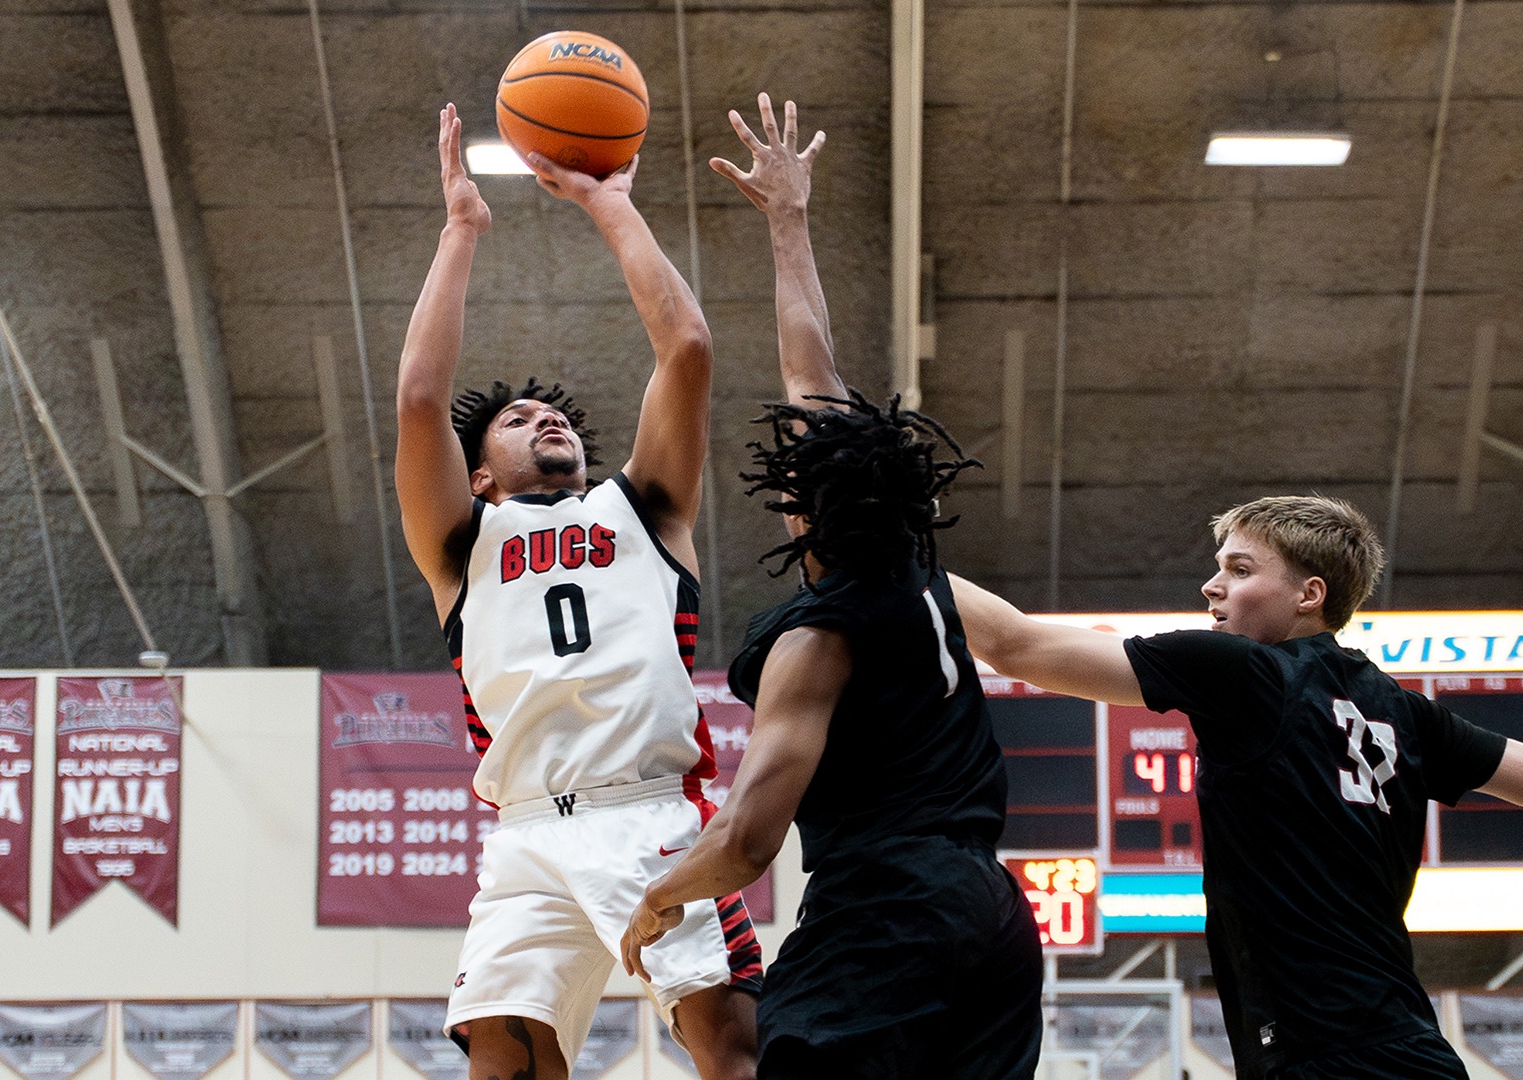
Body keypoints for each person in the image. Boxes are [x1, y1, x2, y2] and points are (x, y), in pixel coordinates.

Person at [619, 95, 1042, 1079]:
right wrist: (787, 221)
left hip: (887, 907)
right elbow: (815, 371)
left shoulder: (816, 637)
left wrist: (662, 896)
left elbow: (751, 836)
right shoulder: (923, 574)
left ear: (799, 513)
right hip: (992, 912)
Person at [393, 104, 760, 1080]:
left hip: (649, 814)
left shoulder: (644, 510)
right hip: (524, 835)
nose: (543, 418)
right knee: (503, 1056)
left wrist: (609, 205)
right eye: (517, 420)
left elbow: (686, 348)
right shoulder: (460, 543)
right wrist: (460, 229)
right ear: (480, 474)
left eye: (553, 415)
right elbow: (420, 400)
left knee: (728, 1048)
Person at [951, 494, 1523, 1078]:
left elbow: (1014, 645)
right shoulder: (1407, 712)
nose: (1212, 585)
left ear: (1309, 595)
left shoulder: (1248, 673)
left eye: (1240, 570)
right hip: (1406, 1045)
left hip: (1329, 1055)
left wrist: (898, 556)